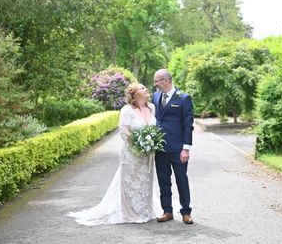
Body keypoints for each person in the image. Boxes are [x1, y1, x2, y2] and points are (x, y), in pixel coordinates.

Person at [67, 82, 160, 225]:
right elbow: (124, 130)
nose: (146, 89)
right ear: (135, 94)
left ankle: (145, 210)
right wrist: (139, 142)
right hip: (132, 152)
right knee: (131, 181)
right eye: (142, 88)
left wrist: (151, 143)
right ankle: (130, 211)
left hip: (148, 154)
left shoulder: (152, 107)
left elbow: (154, 129)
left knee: (146, 180)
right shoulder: (127, 110)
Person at [152, 68, 194, 224]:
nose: (155, 84)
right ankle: (167, 211)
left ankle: (186, 212)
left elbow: (188, 125)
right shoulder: (155, 96)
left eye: (157, 81)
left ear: (165, 81)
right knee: (163, 180)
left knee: (181, 179)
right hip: (160, 148)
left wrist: (186, 148)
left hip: (178, 149)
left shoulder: (184, 98)